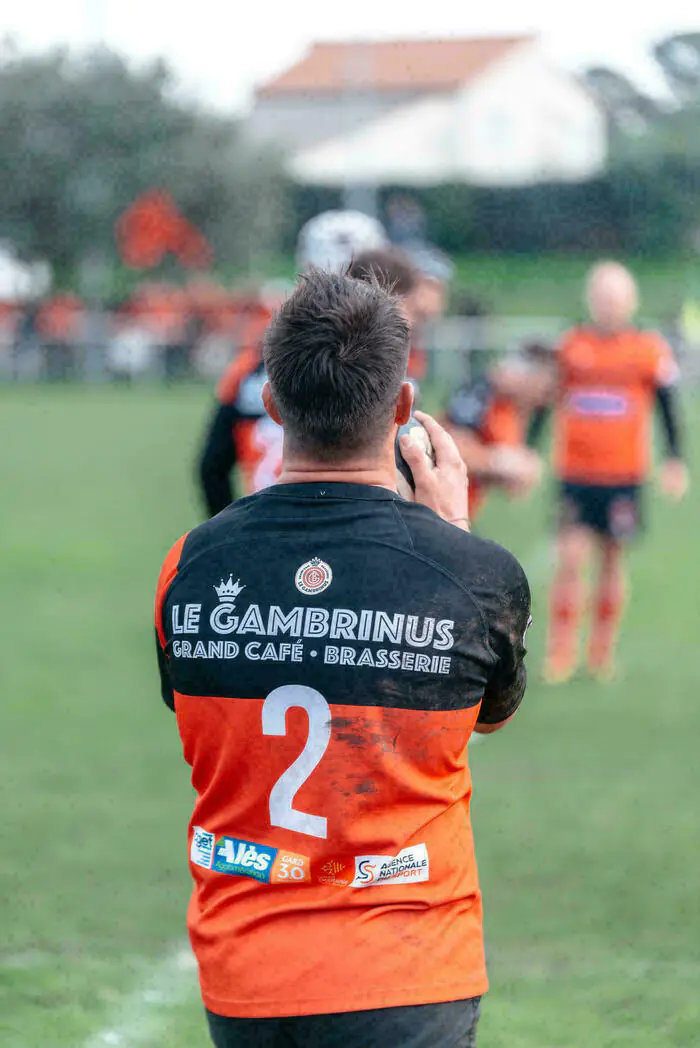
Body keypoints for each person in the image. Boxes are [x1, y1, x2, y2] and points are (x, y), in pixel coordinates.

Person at [155, 268, 532, 1048]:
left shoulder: (188, 564)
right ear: (401, 408)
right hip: (409, 965)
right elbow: (491, 713)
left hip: (245, 970)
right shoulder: (474, 574)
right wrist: (451, 538)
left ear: (271, 403)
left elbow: (188, 700)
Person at [533, 261, 687, 683]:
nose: (608, 305)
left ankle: (601, 653)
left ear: (630, 301)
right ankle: (561, 652)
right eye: (602, 297)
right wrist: (529, 449)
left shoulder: (648, 349)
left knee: (613, 561)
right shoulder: (572, 345)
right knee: (570, 558)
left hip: (624, 476)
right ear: (591, 299)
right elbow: (546, 400)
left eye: (616, 298)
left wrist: (675, 459)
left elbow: (669, 406)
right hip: (576, 474)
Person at [197, 213, 391, 517]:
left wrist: (229, 535)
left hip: (267, 529)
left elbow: (212, 466)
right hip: (356, 531)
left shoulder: (252, 365)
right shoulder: (382, 362)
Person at [443, 344, 552, 524]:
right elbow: (451, 449)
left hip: (462, 511)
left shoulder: (511, 410)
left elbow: (511, 484)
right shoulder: (480, 393)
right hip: (440, 510)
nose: (542, 397)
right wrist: (501, 462)